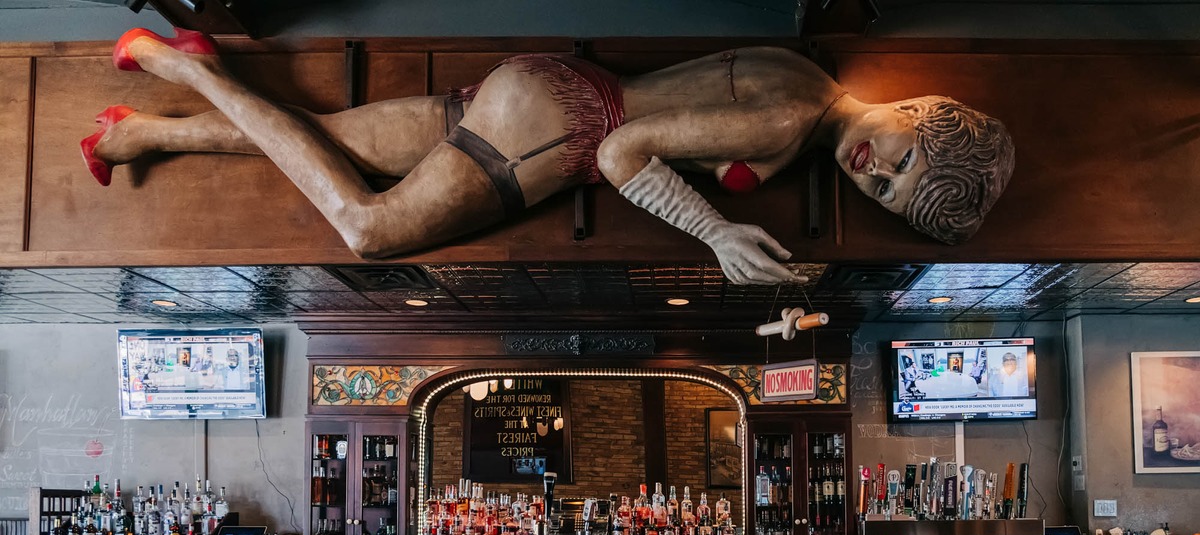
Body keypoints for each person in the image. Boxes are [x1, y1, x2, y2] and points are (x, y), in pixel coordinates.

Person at [81, 28, 1015, 285]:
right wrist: (715, 232)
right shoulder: (785, 119)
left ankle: (140, 131)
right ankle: (185, 66)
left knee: (329, 142)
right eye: (902, 161)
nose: (874, 174)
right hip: (563, 130)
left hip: (542, 92)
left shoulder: (804, 78)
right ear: (917, 111)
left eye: (887, 193)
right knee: (367, 230)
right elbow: (624, 152)